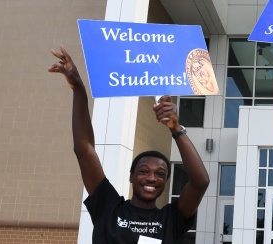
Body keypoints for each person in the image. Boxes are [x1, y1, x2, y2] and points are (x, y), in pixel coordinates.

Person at [49, 46, 210, 243]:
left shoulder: (171, 219)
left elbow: (200, 182)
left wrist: (176, 129)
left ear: (166, 182)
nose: (151, 178)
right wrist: (79, 89)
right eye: (143, 171)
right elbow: (84, 150)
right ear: (131, 177)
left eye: (160, 174)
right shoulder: (107, 206)